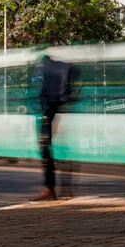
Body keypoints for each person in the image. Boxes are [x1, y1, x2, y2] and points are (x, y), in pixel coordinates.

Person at [33, 55, 74, 201]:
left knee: (45, 150)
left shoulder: (48, 72)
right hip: (62, 111)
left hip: (50, 113)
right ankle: (65, 188)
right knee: (62, 150)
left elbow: (45, 95)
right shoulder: (65, 68)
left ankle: (49, 188)